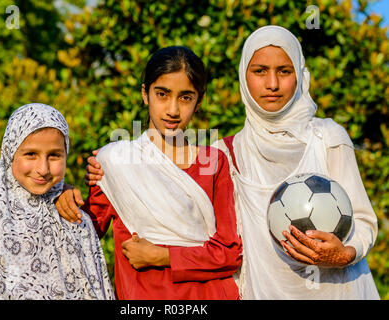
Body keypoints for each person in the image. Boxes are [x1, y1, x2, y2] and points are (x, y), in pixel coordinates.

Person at [83, 26, 380, 299]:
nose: (272, 84)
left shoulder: (327, 137)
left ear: (301, 75)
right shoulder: (227, 151)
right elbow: (85, 227)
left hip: (340, 289)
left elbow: (363, 220)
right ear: (244, 76)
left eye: (285, 71)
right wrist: (65, 193)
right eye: (260, 71)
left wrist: (345, 254)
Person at [55, 46, 242, 300]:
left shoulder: (213, 162)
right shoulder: (116, 162)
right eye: (162, 94)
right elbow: (84, 232)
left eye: (185, 97)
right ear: (145, 93)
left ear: (199, 100)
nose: (173, 110)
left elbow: (229, 253)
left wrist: (164, 256)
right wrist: (62, 194)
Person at [0, 103, 114, 300]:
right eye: (31, 154)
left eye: (54, 155)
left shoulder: (75, 218)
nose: (43, 169)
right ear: (10, 152)